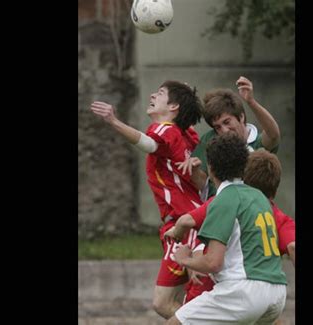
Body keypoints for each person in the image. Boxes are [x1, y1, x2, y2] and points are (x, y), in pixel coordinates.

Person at [90, 80, 204, 319]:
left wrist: (113, 120)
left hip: (183, 227)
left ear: (173, 107)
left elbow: (148, 144)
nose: (153, 94)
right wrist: (186, 94)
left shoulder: (166, 129)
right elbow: (192, 132)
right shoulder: (185, 133)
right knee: (190, 302)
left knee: (163, 304)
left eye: (160, 93)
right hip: (193, 221)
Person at [166, 134, 287, 325]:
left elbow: (213, 263)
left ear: (211, 167)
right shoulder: (259, 197)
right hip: (277, 292)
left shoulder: (224, 200)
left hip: (244, 291)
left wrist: (184, 259)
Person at [179, 76, 281, 199]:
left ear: (241, 117)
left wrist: (251, 101)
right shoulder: (211, 139)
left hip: (251, 207)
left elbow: (273, 135)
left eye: (227, 122)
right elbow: (203, 183)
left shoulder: (257, 144)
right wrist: (194, 170)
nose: (224, 130)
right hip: (218, 205)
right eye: (217, 127)